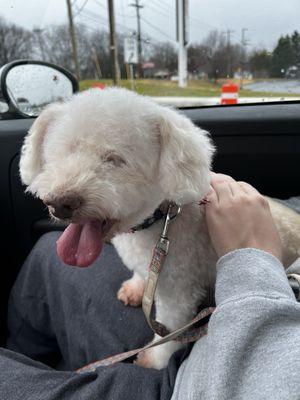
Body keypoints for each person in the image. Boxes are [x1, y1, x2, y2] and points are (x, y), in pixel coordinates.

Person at [1, 173, 300, 399]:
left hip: (199, 380)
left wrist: (251, 258)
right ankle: (28, 354)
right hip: (263, 315)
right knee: (48, 250)